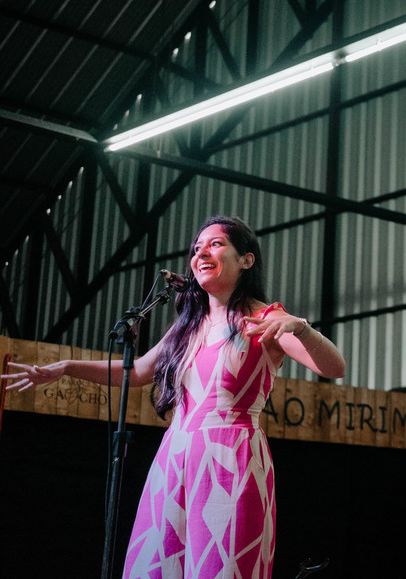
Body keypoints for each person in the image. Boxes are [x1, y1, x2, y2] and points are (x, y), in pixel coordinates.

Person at [2, 215, 346, 579]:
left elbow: (334, 367)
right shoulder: (189, 326)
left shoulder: (266, 319)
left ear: (246, 259)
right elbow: (138, 371)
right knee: (157, 564)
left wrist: (301, 328)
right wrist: (67, 367)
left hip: (231, 458)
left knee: (220, 566)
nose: (201, 253)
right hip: (174, 456)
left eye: (216, 244)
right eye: (197, 248)